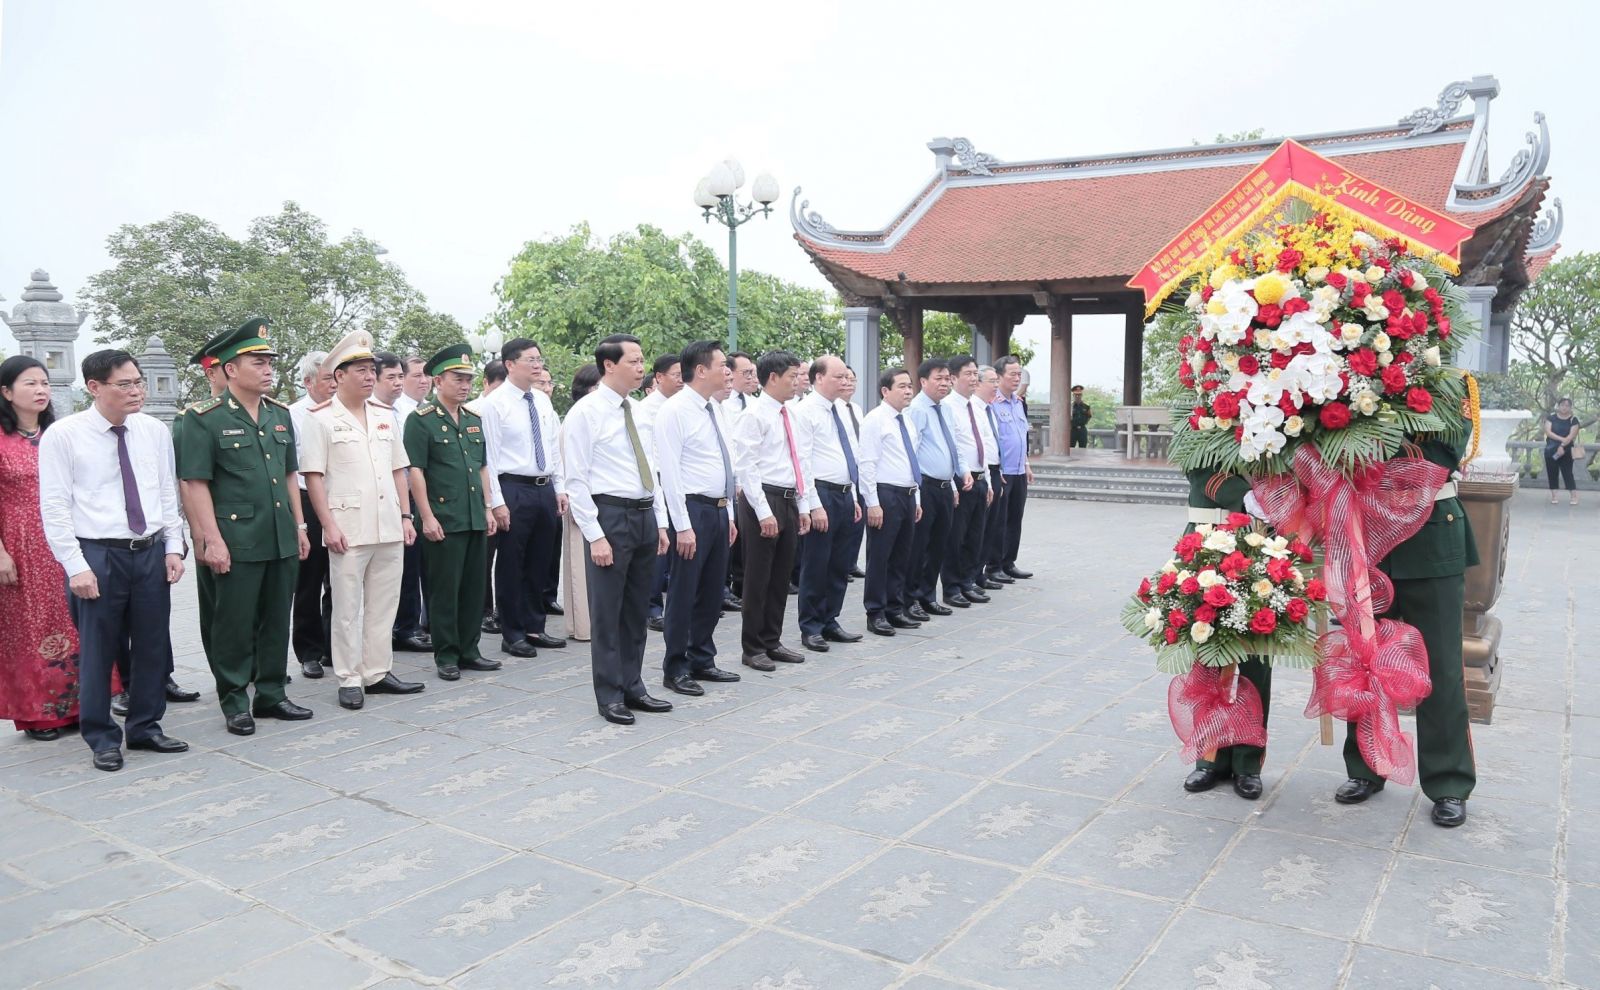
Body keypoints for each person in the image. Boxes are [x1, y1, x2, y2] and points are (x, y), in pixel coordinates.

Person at [39, 349, 189, 770]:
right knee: (99, 650)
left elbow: (165, 492)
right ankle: (101, 736)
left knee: (151, 644)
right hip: (98, 554)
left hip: (149, 550)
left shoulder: (153, 431)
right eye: (125, 384)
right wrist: (76, 566)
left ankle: (145, 726)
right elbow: (54, 507)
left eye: (139, 381)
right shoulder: (64, 435)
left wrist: (173, 546)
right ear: (94, 387)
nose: (137, 391)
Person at [176, 318, 314, 736]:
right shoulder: (204, 418)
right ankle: (235, 699)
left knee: (276, 619)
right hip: (235, 539)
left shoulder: (279, 414)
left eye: (270, 360)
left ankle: (271, 693)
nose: (268, 368)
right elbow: (194, 482)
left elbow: (291, 476)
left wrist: (300, 526)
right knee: (232, 623)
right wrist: (209, 539)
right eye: (258, 361)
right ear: (230, 369)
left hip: (278, 534)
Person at [1334, 437, 1478, 828]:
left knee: (1442, 668)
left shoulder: (1450, 387)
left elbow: (1440, 451)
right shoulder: (1355, 381)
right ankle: (1366, 766)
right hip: (1369, 535)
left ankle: (1449, 781)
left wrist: (1367, 435)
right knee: (1366, 660)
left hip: (1431, 536)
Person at [301, 332, 426, 710]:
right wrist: (328, 526)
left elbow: (398, 468)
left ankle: (376, 671)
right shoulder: (320, 419)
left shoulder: (386, 416)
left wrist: (406, 516)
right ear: (338, 376)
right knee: (346, 606)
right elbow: (313, 477)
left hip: (388, 522)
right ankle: (349, 677)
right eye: (361, 370)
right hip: (348, 527)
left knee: (383, 604)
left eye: (372, 370)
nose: (369, 376)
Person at [563, 334, 673, 724]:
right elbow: (575, 479)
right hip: (609, 515)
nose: (642, 367)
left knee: (635, 609)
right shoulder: (585, 413)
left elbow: (652, 470)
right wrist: (595, 535)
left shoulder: (640, 411)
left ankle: (634, 684)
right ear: (609, 365)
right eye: (634, 361)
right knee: (608, 612)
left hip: (643, 515)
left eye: (643, 360)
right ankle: (609, 693)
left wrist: (660, 521)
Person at [404, 345, 502, 682]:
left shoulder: (473, 420)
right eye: (457, 379)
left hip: (474, 515)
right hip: (444, 518)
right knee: (445, 589)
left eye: (468, 380)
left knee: (474, 587)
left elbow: (483, 467)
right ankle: (446, 653)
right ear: (437, 381)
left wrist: (488, 507)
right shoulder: (421, 421)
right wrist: (427, 517)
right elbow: (415, 471)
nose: (464, 385)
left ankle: (469, 649)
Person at [654, 340, 743, 695]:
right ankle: (675, 666)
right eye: (722, 364)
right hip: (691, 511)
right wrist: (682, 526)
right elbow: (669, 473)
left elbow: (726, 464)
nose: (728, 371)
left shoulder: (715, 408)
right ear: (701, 369)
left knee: (711, 590)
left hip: (719, 510)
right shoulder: (674, 411)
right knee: (683, 590)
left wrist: (731, 514)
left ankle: (702, 657)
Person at [0, 356, 82, 740]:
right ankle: (38, 714)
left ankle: (79, 705)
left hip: (64, 539)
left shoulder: (60, 435)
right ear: (6, 392)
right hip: (19, 544)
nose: (41, 390)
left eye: (45, 383)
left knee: (73, 618)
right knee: (29, 626)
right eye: (30, 383)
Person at [1179, 469, 1270, 800]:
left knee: (1257, 653)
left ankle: (1248, 761)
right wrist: (1246, 495)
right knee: (1207, 649)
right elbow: (1193, 458)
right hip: (1207, 537)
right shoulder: (1194, 413)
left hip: (1257, 537)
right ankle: (1209, 757)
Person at [481, 337, 567, 657]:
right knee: (511, 563)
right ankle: (512, 631)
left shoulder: (542, 401)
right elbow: (488, 457)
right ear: (510, 364)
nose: (537, 364)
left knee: (540, 561)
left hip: (543, 488)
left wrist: (559, 487)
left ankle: (535, 626)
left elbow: (553, 449)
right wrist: (497, 502)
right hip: (513, 488)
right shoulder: (496, 403)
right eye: (530, 359)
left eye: (539, 359)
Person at [731, 350, 812, 671]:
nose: (797, 383)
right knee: (758, 576)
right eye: (792, 377)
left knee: (781, 576)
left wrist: (803, 504)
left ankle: (772, 639)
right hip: (762, 499)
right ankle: (752, 647)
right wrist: (763, 511)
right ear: (773, 378)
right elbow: (747, 467)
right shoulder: (754, 415)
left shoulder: (791, 413)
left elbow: (800, 461)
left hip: (789, 498)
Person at [793, 355, 864, 652]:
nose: (845, 381)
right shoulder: (805, 411)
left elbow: (852, 453)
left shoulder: (843, 410)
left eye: (847, 376)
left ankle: (830, 618)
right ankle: (810, 626)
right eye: (838, 376)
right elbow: (803, 461)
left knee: (839, 564)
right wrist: (812, 504)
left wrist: (856, 495)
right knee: (816, 564)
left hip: (845, 493)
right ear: (818, 378)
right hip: (821, 493)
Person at [858, 367, 922, 636]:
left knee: (901, 556)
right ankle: (876, 611)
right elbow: (867, 464)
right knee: (880, 556)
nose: (908, 391)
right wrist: (872, 502)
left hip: (907, 494)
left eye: (910, 386)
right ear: (885, 391)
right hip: (885, 494)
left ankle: (895, 608)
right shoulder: (875, 420)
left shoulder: (905, 419)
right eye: (902, 386)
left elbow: (911, 460)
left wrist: (916, 496)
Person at [379, 353, 432, 655]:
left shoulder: (419, 411)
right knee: (402, 568)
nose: (422, 381)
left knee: (416, 566)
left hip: (416, 495)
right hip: (393, 497)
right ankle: (402, 627)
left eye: (403, 376)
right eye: (395, 376)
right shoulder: (389, 411)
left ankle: (413, 624)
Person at [905, 358, 963, 621]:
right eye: (938, 378)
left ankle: (928, 595)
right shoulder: (916, 409)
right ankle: (911, 597)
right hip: (925, 486)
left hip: (943, 486)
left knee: (939, 544)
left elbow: (948, 447)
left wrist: (952, 483)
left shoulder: (946, 409)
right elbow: (912, 452)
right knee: (919, 546)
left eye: (947, 378)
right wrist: (916, 492)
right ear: (923, 381)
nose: (944, 383)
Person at [289, 350, 335, 679]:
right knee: (309, 581)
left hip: (344, 499)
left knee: (343, 580)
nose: (334, 384)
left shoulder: (348, 410)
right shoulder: (292, 415)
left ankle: (337, 646)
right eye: (327, 378)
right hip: (308, 500)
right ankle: (309, 651)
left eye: (337, 377)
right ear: (308, 382)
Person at [942, 355, 990, 607]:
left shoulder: (977, 406)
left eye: (975, 374)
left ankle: (969, 581)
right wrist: (955, 481)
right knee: (956, 536)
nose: (974, 378)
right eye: (968, 374)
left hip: (980, 478)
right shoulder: (948, 407)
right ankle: (952, 587)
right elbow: (952, 448)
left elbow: (985, 446)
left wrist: (989, 482)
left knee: (975, 535)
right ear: (953, 378)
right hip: (963, 480)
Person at [640, 353, 683, 631]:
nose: (681, 380)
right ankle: (652, 607)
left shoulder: (683, 407)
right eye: (676, 375)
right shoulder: (645, 409)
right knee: (660, 547)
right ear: (658, 378)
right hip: (657, 482)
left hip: (680, 484)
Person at [559, 365, 601, 642]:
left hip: (600, 501)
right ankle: (584, 625)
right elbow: (571, 469)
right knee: (579, 564)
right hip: (580, 498)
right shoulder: (577, 418)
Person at [986, 355, 1034, 582]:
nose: (1017, 378)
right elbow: (992, 439)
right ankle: (993, 565)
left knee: (1015, 517)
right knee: (999, 518)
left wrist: (1026, 464)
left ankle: (1008, 562)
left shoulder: (1019, 402)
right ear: (998, 377)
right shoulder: (992, 404)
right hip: (1002, 471)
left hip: (1019, 470)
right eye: (1012, 374)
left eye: (1019, 374)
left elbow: (1022, 436)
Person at [721, 350, 759, 611]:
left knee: (745, 536)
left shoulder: (753, 403)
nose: (751, 377)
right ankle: (722, 587)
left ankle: (741, 585)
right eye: (746, 373)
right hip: (729, 480)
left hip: (748, 480)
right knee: (729, 535)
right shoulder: (722, 404)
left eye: (753, 373)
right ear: (730, 373)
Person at [473, 359, 507, 634]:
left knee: (509, 556)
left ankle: (503, 609)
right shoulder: (475, 410)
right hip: (484, 492)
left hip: (512, 489)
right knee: (485, 556)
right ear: (486, 383)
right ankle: (484, 610)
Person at [968, 365, 1005, 595]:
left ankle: (979, 573)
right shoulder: (971, 407)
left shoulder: (988, 409)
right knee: (975, 530)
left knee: (989, 526)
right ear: (978, 383)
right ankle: (969, 576)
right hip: (976, 472)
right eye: (992, 381)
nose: (996, 386)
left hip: (992, 470)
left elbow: (990, 443)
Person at [839, 367, 867, 581]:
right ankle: (842, 563)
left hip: (859, 470)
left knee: (858, 521)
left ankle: (850, 562)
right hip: (843, 472)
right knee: (845, 523)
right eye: (844, 378)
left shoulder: (856, 408)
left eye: (852, 379)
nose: (849, 382)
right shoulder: (835, 408)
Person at [1544, 397, 1581, 505]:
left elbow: (1571, 436)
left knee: (1568, 472)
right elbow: (1548, 432)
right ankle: (1554, 496)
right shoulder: (1551, 418)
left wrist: (1562, 445)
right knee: (1552, 472)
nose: (1564, 407)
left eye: (1567, 405)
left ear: (1570, 407)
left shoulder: (1573, 420)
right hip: (1551, 449)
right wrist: (1561, 440)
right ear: (1558, 406)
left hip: (1567, 449)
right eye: (1562, 405)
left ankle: (1574, 496)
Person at [1070, 384, 1092, 448]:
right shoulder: (1070, 406)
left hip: (1082, 429)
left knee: (1083, 448)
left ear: (1081, 395)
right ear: (1073, 395)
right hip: (1072, 429)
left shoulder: (1086, 406)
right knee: (1070, 448)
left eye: (1079, 395)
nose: (1077, 396)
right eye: (1076, 395)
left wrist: (1084, 422)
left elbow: (1089, 416)